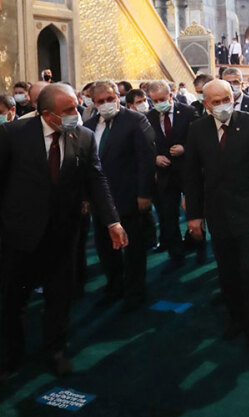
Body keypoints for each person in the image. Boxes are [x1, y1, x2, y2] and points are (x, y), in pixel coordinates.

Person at [0, 84, 126, 379]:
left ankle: (55, 352)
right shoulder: (12, 135)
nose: (75, 114)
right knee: (12, 300)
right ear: (47, 114)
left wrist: (113, 221)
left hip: (63, 233)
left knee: (60, 298)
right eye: (68, 110)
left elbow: (97, 180)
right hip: (19, 234)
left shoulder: (83, 136)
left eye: (74, 107)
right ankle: (10, 355)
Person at [182, 79, 249, 354]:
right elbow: (192, 174)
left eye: (226, 100)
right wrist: (194, 215)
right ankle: (236, 318)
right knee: (227, 271)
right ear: (206, 105)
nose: (223, 106)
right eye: (216, 102)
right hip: (217, 212)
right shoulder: (198, 129)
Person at [83, 80, 156, 311]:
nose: (106, 103)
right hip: (100, 200)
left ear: (118, 96)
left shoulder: (135, 120)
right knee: (105, 247)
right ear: (94, 103)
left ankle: (135, 291)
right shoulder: (89, 125)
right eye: (101, 101)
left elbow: (146, 159)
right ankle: (114, 286)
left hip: (129, 195)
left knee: (133, 247)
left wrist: (144, 193)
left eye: (110, 98)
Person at [147, 80, 198, 270]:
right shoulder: (148, 117)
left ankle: (198, 246)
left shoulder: (188, 112)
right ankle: (176, 255)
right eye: (155, 100)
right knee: (169, 216)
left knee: (195, 211)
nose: (159, 103)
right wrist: (155, 158)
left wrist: (185, 148)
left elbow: (199, 139)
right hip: (165, 174)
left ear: (170, 95)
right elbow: (145, 144)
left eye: (162, 99)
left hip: (187, 170)